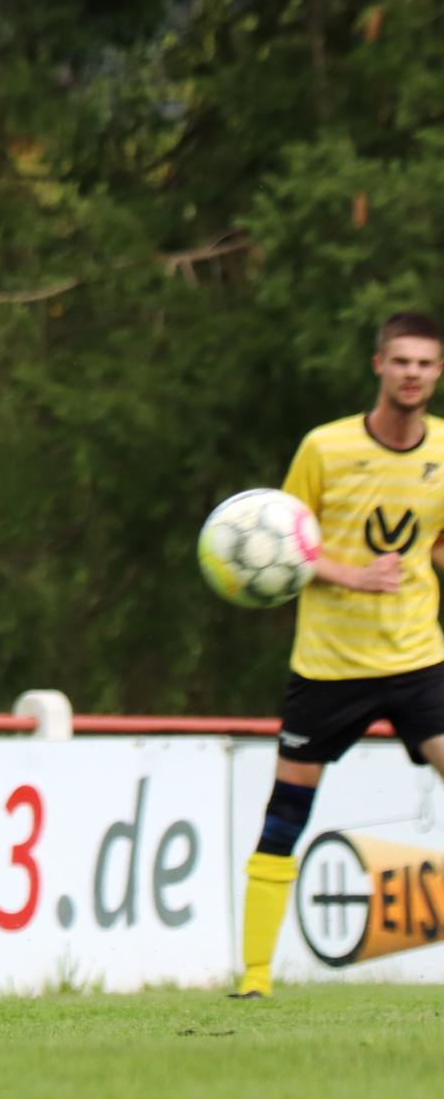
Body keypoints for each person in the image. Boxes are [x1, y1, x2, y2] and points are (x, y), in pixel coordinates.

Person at [236, 311, 444, 998]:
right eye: (402, 361)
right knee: (285, 816)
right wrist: (353, 575)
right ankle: (255, 979)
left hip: (417, 660)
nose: (413, 374)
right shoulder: (324, 448)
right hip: (329, 667)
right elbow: (277, 542)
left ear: (438, 373)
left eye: (425, 363)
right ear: (379, 365)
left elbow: (437, 542)